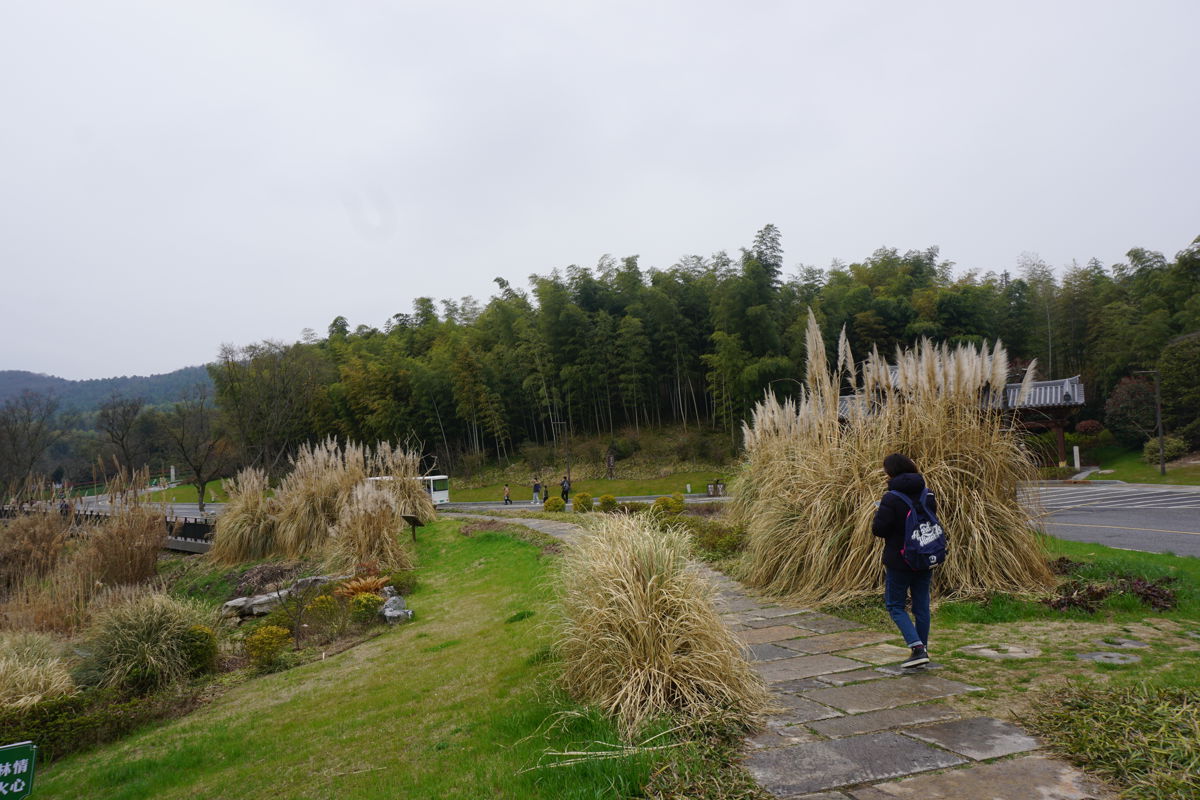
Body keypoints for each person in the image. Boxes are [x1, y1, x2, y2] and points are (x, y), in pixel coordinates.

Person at [872, 453, 936, 669]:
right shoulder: (928, 494)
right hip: (926, 555)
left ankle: (917, 648)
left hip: (900, 560)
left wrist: (878, 511)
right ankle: (923, 650)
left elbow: (879, 530)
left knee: (895, 605)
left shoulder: (891, 498)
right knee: (921, 606)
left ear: (891, 472)